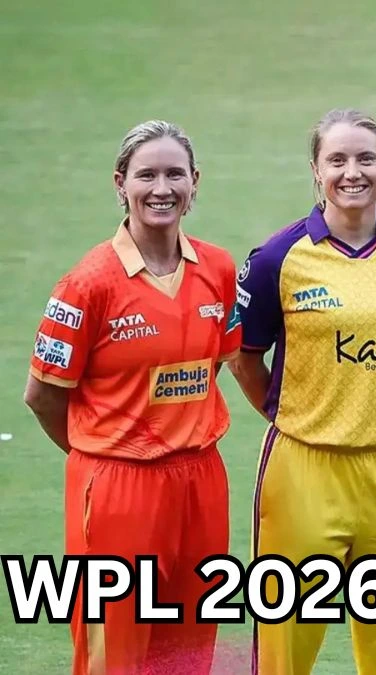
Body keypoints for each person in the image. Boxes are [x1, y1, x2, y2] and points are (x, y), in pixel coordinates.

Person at [227, 108, 376, 675]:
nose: (353, 172)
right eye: (338, 160)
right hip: (303, 470)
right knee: (286, 649)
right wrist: (291, 412)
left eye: (366, 159)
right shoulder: (277, 258)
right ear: (315, 171)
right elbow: (244, 357)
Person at [23, 120, 241, 674]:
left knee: (192, 638)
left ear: (196, 183)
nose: (161, 188)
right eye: (146, 175)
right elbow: (43, 396)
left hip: (200, 477)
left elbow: (214, 361)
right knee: (113, 651)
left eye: (175, 174)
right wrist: (99, 455)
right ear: (121, 183)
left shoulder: (217, 268)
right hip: (119, 483)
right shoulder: (88, 283)